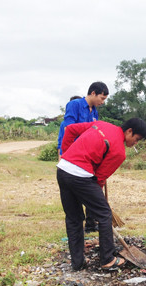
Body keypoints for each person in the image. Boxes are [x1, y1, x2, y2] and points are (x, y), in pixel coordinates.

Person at [57, 118, 146, 271]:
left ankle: (77, 262)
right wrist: (96, 200)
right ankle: (107, 259)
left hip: (63, 169)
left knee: (74, 218)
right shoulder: (119, 152)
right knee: (105, 213)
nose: (135, 144)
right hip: (80, 175)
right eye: (136, 139)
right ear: (129, 131)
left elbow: (70, 130)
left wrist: (66, 153)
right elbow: (99, 178)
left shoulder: (101, 124)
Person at [57, 82, 109, 234]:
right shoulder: (74, 105)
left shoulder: (95, 112)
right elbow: (69, 129)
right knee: (78, 188)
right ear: (93, 93)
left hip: (91, 155)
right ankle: (78, 223)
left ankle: (91, 222)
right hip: (75, 155)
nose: (102, 102)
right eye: (102, 98)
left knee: (93, 185)